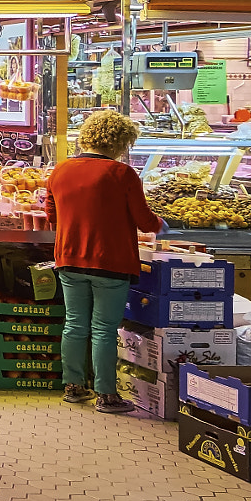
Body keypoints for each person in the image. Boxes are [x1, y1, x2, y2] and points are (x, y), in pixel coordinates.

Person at [45, 111, 163, 414]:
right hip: (110, 261)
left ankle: (73, 386)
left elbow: (51, 216)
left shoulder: (61, 170)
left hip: (69, 259)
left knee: (74, 324)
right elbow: (144, 220)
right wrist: (162, 223)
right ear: (121, 142)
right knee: (104, 329)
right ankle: (107, 396)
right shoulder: (122, 174)